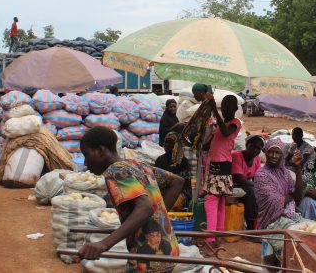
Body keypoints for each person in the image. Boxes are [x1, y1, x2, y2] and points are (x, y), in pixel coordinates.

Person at [78, 127, 184, 273]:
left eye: (87, 155)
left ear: (101, 151)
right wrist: (158, 218)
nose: (85, 162)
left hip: (148, 257)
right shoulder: (137, 165)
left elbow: (145, 207)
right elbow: (177, 182)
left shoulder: (115, 171)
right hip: (168, 250)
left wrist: (104, 244)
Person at [254, 138, 304, 264]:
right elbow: (275, 202)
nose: (274, 156)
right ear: (266, 153)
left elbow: (298, 197)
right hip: (270, 220)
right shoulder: (261, 174)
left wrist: (298, 169)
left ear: (282, 155)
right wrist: (290, 195)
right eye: (271, 152)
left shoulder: (285, 174)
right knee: (271, 260)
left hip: (288, 217)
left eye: (278, 153)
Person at [203, 95, 241, 243]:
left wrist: (214, 108)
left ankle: (211, 239)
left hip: (221, 165)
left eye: (227, 108)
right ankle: (218, 234)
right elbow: (213, 143)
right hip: (217, 165)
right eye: (223, 108)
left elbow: (226, 133)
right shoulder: (220, 124)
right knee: (218, 201)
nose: (224, 111)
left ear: (235, 109)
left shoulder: (235, 123)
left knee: (211, 200)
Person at [232, 135, 264, 230]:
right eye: (253, 146)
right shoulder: (237, 155)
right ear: (247, 145)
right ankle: (251, 227)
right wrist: (257, 187)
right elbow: (239, 179)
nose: (255, 150)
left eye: (258, 148)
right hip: (232, 186)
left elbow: (257, 179)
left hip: (244, 187)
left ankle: (259, 224)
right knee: (251, 191)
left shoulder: (257, 159)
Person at [155, 132, 192, 211]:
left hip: (179, 192)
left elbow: (184, 185)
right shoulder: (160, 160)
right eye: (166, 142)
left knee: (174, 203)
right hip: (162, 190)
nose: (167, 145)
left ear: (176, 145)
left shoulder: (182, 161)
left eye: (170, 143)